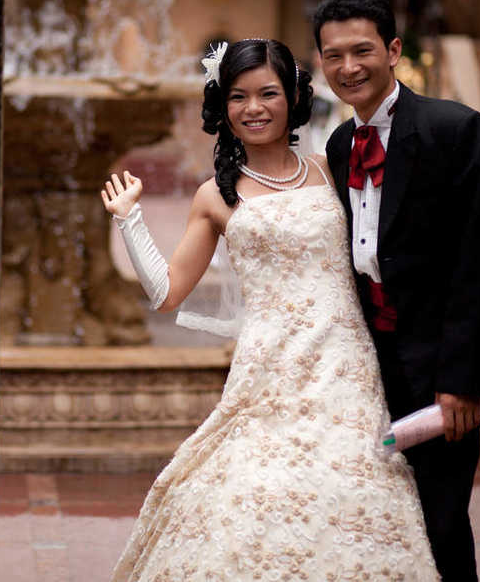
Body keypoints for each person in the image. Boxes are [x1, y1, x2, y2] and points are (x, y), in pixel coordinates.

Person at [103, 38, 439, 581]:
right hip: (268, 366)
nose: (253, 108)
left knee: (353, 484)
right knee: (260, 494)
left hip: (345, 362)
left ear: (294, 99)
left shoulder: (333, 167)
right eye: (238, 96)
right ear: (223, 107)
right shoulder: (216, 196)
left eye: (267, 93)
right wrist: (129, 219)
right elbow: (167, 294)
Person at [313, 0, 480, 581]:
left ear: (393, 50)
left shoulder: (456, 129)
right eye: (333, 55)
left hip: (442, 368)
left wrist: (459, 381)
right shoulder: (339, 143)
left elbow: (478, 264)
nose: (348, 68)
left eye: (362, 51)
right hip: (373, 365)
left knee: (441, 522)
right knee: (386, 522)